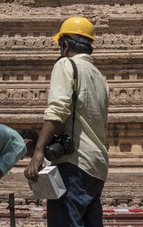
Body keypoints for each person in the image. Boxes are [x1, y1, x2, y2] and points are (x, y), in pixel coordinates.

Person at [24, 16, 109, 227]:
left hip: (73, 164)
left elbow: (58, 110)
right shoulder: (100, 77)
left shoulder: (66, 64)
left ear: (66, 44)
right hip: (97, 166)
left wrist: (39, 151)